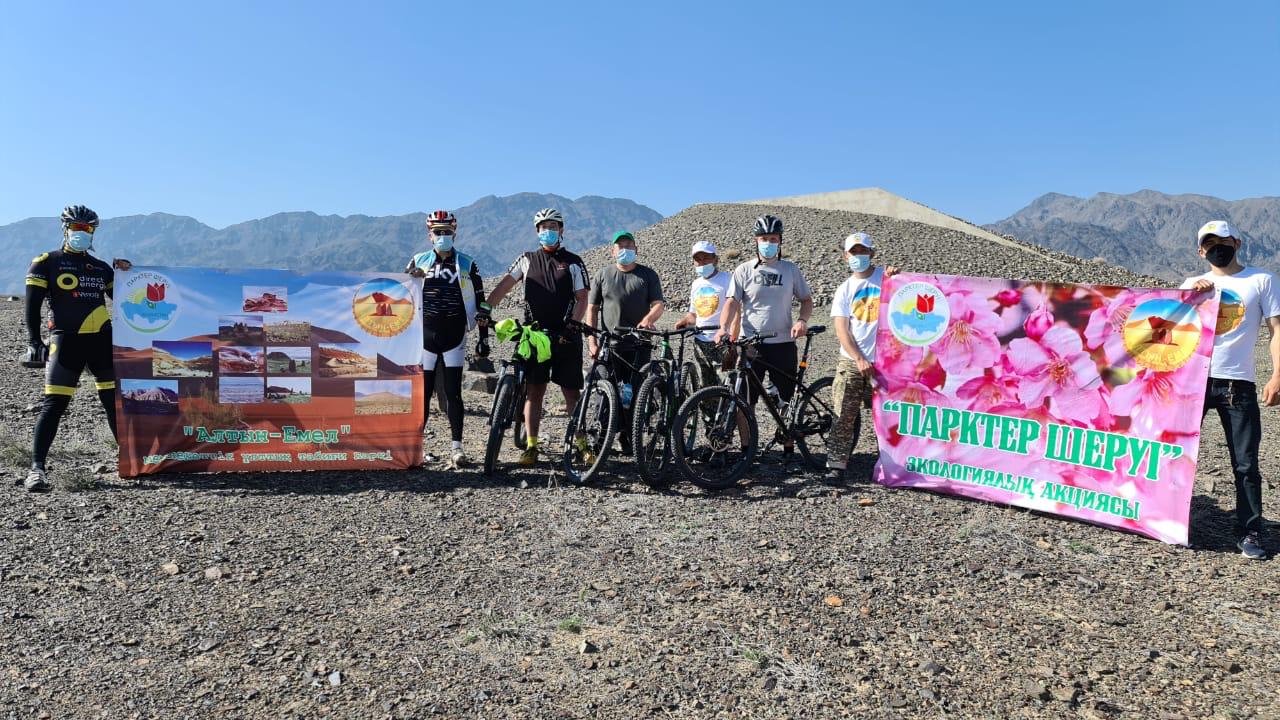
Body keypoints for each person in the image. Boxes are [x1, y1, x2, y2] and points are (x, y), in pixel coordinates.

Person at [1181, 220, 1280, 560]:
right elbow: (1171, 330)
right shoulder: (1191, 285)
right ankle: (1172, 521)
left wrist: (1277, 375)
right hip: (1192, 381)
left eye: (1223, 242)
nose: (1216, 249)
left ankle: (1250, 531)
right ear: (1200, 251)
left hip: (1238, 383)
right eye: (1210, 244)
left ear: (1237, 243)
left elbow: (1276, 329)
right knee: (1177, 456)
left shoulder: (1262, 280)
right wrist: (1193, 299)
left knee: (1245, 463)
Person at [23, 205, 132, 492]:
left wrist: (129, 274)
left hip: (101, 341)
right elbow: (32, 307)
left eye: (87, 228)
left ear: (93, 232)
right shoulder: (46, 262)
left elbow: (127, 300)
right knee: (54, 405)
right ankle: (37, 469)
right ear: (65, 229)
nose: (81, 232)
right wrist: (35, 342)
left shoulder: (101, 267)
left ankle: (128, 460)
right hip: (65, 341)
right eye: (76, 227)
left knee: (113, 403)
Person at [485, 208, 589, 466]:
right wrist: (486, 308)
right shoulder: (527, 259)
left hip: (566, 336)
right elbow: (505, 285)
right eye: (543, 228)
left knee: (571, 394)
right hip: (534, 336)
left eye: (553, 227)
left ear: (561, 230)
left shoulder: (574, 262)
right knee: (534, 392)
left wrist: (573, 326)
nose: (548, 231)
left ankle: (582, 444)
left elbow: (582, 298)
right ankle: (531, 446)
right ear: (537, 232)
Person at [714, 214, 814, 456]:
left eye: (773, 239)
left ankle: (788, 449)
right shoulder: (743, 270)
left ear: (780, 241)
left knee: (786, 398)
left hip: (783, 342)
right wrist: (723, 327)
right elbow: (731, 302)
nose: (768, 243)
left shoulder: (790, 269)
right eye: (764, 239)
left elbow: (806, 300)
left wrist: (802, 321)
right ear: (756, 241)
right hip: (751, 344)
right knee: (744, 400)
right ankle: (747, 449)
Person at [405, 210, 488, 468]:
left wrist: (483, 338)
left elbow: (482, 302)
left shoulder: (467, 263)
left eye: (447, 232)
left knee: (453, 393)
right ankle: (415, 448)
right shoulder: (418, 260)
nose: (443, 236)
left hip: (455, 334)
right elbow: (402, 295)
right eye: (438, 232)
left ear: (455, 233)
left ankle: (457, 448)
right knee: (423, 394)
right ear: (429, 235)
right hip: (424, 337)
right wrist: (411, 277)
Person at [826, 232, 897, 481]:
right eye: (853, 252)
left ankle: (893, 464)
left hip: (886, 363)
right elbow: (842, 329)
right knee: (844, 414)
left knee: (888, 416)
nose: (858, 256)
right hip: (853, 361)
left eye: (863, 251)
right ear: (845, 256)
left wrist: (898, 277)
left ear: (872, 253)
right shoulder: (845, 289)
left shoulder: (886, 280)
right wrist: (859, 358)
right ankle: (836, 464)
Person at [586, 231, 664, 453]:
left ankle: (629, 437)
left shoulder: (647, 275)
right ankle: (600, 439)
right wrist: (592, 342)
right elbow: (592, 310)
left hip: (639, 345)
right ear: (612, 251)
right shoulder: (603, 275)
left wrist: (648, 320)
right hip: (609, 345)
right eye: (620, 246)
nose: (625, 250)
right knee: (605, 390)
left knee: (635, 392)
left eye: (629, 246)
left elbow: (658, 304)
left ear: (636, 250)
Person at [673, 240, 733, 389]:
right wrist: (684, 321)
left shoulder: (727, 279)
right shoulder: (696, 284)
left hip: (722, 342)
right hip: (700, 341)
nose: (702, 262)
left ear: (715, 259)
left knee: (727, 387)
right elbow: (693, 314)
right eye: (698, 259)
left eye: (706, 258)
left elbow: (735, 308)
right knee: (705, 388)